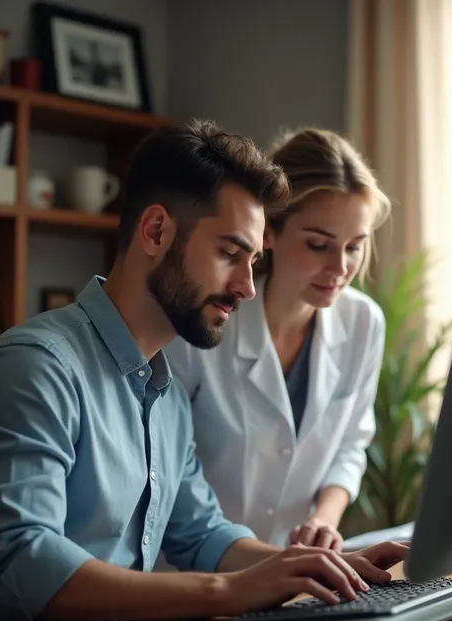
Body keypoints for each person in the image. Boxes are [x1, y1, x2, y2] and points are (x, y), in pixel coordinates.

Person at [0, 120, 406, 621]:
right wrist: (231, 591)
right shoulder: (36, 367)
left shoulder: (161, 391)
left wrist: (311, 567)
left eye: (252, 260)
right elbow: (24, 562)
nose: (248, 287)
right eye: (230, 254)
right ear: (156, 231)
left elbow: (203, 533)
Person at [166, 126, 391, 551]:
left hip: (294, 570)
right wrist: (251, 563)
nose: (340, 268)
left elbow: (350, 445)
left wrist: (323, 520)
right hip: (193, 571)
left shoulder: (364, 323)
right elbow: (172, 466)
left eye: (354, 247)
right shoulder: (207, 323)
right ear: (269, 231)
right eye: (319, 245)